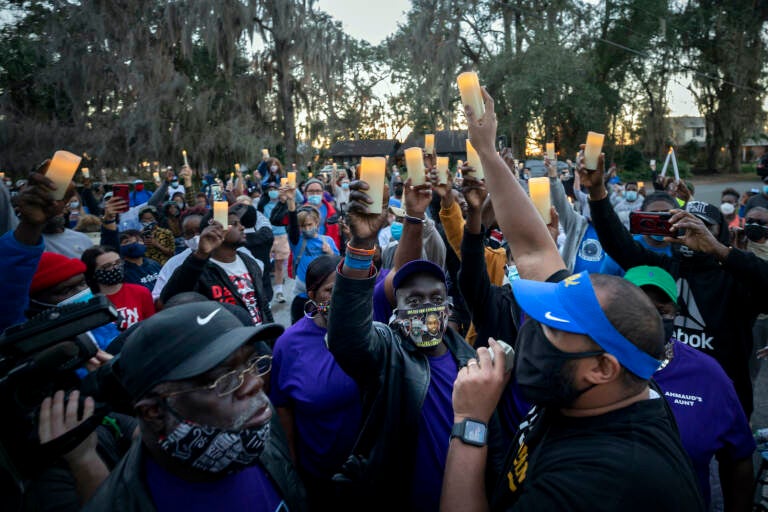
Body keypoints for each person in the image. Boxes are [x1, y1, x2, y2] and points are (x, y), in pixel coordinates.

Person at [440, 88, 703, 512]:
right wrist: (487, 151)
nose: (532, 333)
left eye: (552, 328)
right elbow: (531, 250)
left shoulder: (602, 480)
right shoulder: (615, 382)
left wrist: (469, 423)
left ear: (602, 367)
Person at [326, 175, 494, 511]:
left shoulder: (474, 363)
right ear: (396, 311)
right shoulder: (388, 354)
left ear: (449, 307)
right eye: (413, 301)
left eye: (435, 297)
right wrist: (362, 245)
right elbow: (347, 339)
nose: (426, 306)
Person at [81, 302, 306, 511]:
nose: (254, 383)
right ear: (154, 412)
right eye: (224, 378)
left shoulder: (257, 426)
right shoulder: (122, 503)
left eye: (250, 362)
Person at [584, 162, 768, 418]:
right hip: (671, 391)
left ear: (720, 233)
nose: (691, 232)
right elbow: (619, 244)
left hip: (725, 395)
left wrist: (720, 251)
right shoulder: (665, 266)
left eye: (703, 227)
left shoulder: (735, 279)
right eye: (684, 224)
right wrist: (597, 193)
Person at [624, 265, 754, 510]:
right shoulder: (589, 364)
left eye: (661, 310)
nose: (649, 318)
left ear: (676, 313)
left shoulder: (708, 375)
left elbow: (738, 458)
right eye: (638, 307)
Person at [270, 255, 361, 509]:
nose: (342, 296)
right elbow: (283, 408)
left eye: (348, 287)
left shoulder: (369, 329)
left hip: (370, 466)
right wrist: (293, 467)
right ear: (312, 294)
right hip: (320, 474)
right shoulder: (289, 345)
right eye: (331, 290)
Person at [160, 206, 273, 326]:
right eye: (234, 224)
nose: (242, 227)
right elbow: (170, 299)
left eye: (240, 223)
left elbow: (263, 305)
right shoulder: (198, 270)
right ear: (215, 231)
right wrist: (200, 255)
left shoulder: (249, 262)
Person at [284, 188, 339, 323]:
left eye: (309, 224)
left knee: (325, 325)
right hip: (303, 295)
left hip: (324, 296)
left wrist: (330, 253)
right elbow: (292, 225)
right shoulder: (297, 242)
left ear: (316, 223)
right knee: (300, 326)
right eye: (303, 226)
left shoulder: (328, 241)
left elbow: (338, 263)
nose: (307, 229)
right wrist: (291, 201)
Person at [599, 192, 676, 276]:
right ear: (642, 216)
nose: (660, 223)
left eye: (665, 216)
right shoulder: (625, 248)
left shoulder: (681, 250)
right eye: (654, 216)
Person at [81, 246, 156, 330]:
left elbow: (151, 326)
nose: (115, 268)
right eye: (107, 266)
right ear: (92, 272)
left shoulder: (141, 292)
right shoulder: (86, 301)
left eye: (118, 262)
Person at [151, 213, 202, 301]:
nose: (195, 237)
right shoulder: (174, 263)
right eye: (189, 233)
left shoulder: (225, 253)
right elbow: (157, 298)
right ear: (183, 236)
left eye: (199, 231)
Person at [235, 203, 275, 303]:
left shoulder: (234, 242)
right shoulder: (266, 236)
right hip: (266, 291)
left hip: (247, 296)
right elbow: (264, 221)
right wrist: (250, 209)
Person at [262, 182, 290, 304]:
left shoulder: (284, 203)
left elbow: (297, 199)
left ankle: (279, 292)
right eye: (270, 189)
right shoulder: (262, 205)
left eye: (275, 188)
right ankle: (265, 295)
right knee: (264, 267)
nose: (272, 191)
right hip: (266, 237)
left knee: (279, 266)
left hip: (282, 236)